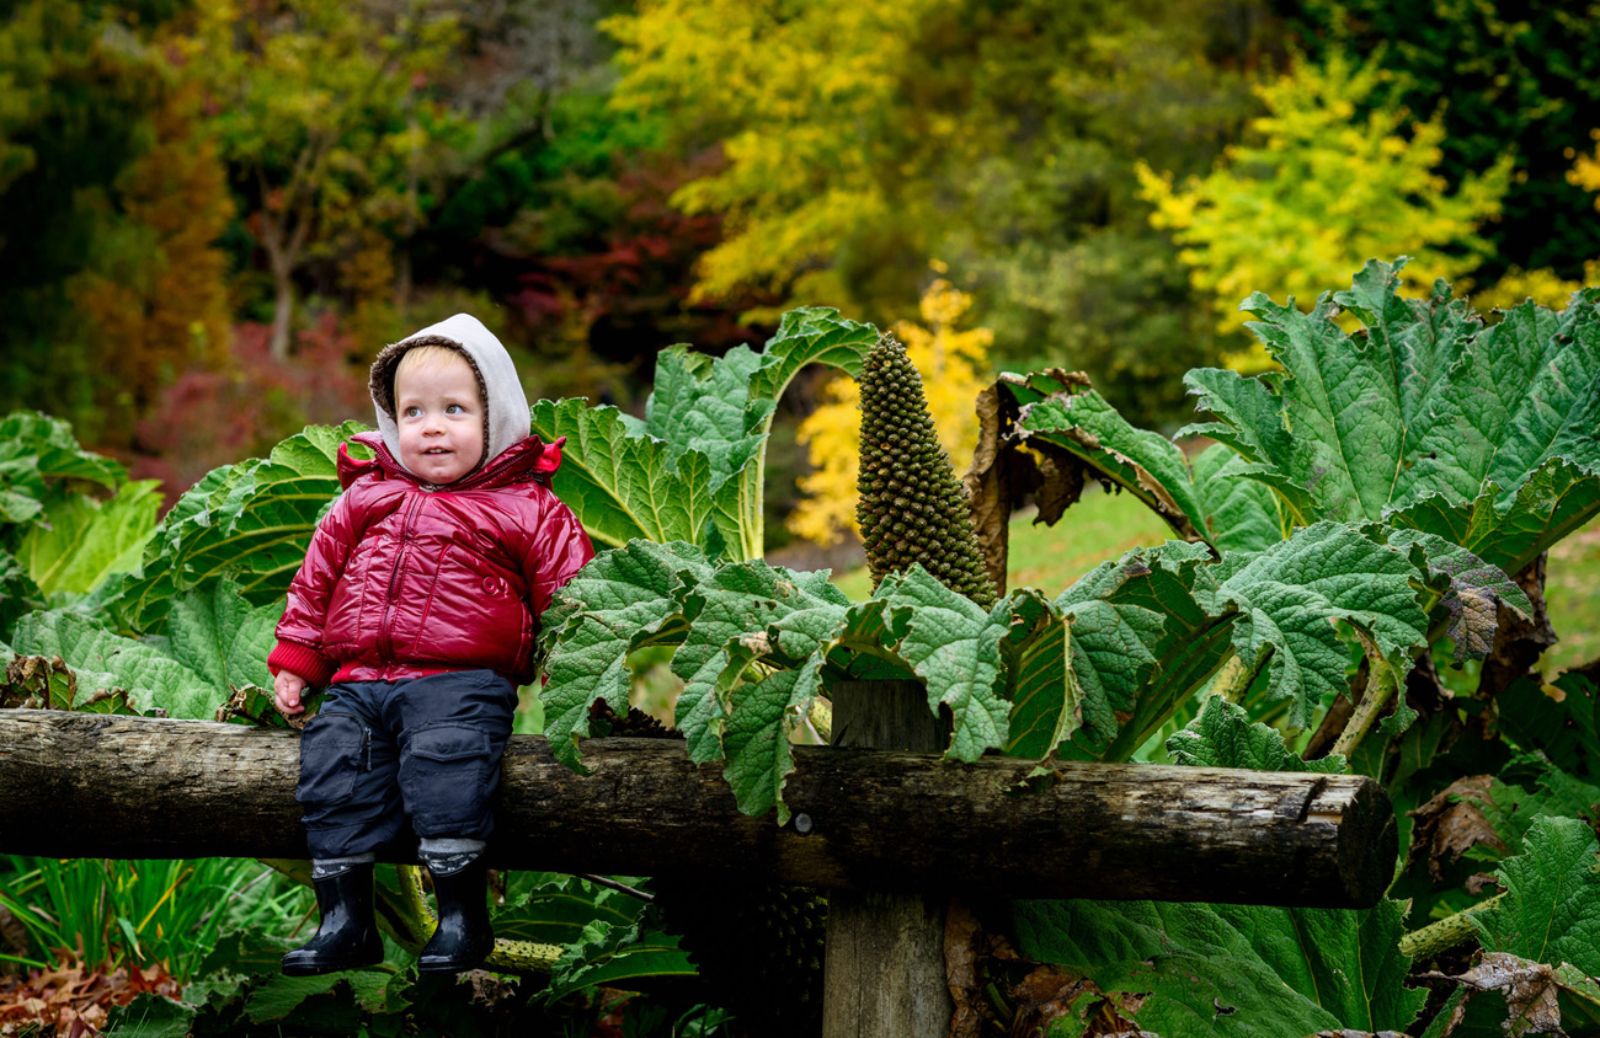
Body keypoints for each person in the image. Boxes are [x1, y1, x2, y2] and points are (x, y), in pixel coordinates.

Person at [268, 313, 594, 976]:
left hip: (460, 680)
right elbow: (315, 582)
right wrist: (300, 660)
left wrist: (575, 673)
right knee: (332, 777)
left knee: (448, 774)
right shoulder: (365, 498)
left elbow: (574, 598)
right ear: (391, 421)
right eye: (413, 411)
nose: (432, 426)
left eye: (454, 409)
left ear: (496, 415)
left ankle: (461, 919)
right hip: (359, 681)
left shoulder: (527, 507)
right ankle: (346, 920)